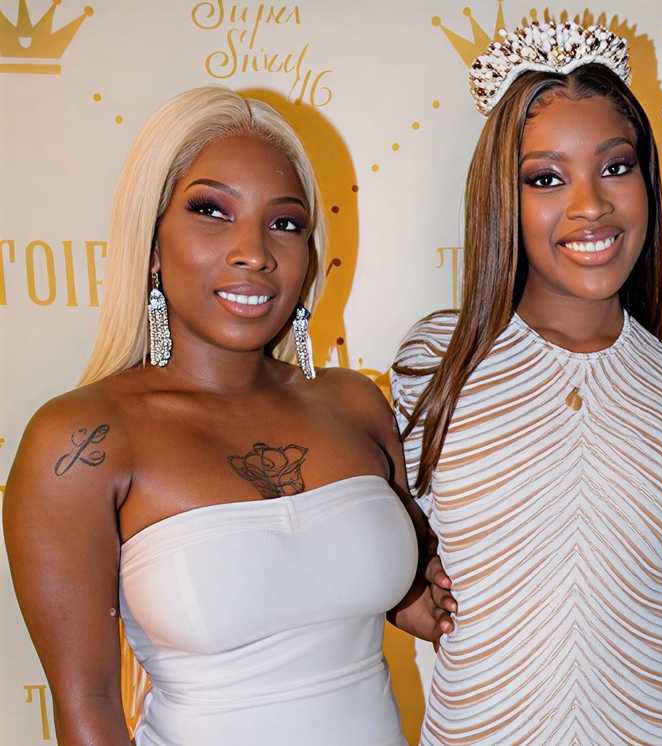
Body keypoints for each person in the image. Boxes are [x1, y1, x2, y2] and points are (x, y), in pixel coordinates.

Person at [2, 86, 442, 746]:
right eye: (212, 211)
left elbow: (411, 599)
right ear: (151, 244)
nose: (253, 251)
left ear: (310, 259)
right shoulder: (82, 441)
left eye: (285, 223)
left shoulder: (355, 404)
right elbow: (88, 710)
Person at [392, 21, 662, 745]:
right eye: (546, 178)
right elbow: (380, 535)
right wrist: (403, 588)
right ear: (502, 198)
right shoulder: (437, 361)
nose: (589, 205)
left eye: (616, 167)